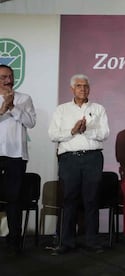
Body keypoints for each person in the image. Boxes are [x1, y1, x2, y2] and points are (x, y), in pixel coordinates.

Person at [48, 74, 110, 255]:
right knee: (69, 200)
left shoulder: (98, 108)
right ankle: (66, 241)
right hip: (69, 159)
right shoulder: (62, 110)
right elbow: (53, 134)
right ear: (72, 89)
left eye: (85, 86)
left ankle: (92, 241)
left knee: (91, 200)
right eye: (79, 86)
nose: (83, 89)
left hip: (92, 158)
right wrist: (72, 131)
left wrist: (87, 131)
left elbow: (105, 133)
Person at [0, 64, 36, 256]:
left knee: (14, 199)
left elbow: (31, 122)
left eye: (10, 76)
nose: (8, 80)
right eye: (3, 77)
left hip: (16, 156)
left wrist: (13, 107)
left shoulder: (24, 98)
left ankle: (14, 240)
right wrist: (2, 109)